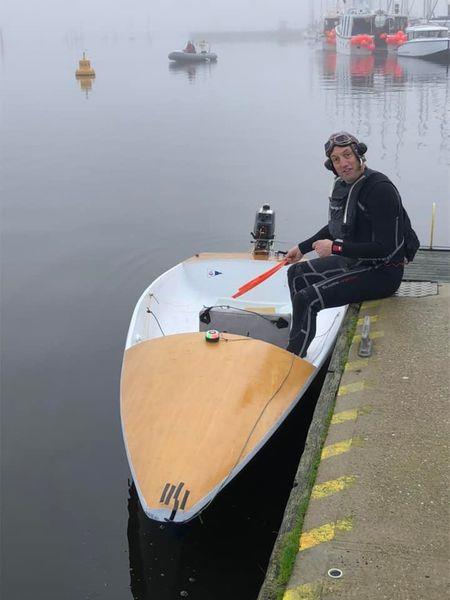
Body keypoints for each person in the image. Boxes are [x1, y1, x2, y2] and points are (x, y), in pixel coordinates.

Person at [286, 131, 406, 358]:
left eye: (347, 155)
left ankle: (293, 358)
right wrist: (303, 248)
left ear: (359, 155)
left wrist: (335, 248)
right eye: (336, 160)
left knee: (307, 298)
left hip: (383, 272)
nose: (343, 164)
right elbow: (336, 228)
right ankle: (299, 338)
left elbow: (386, 248)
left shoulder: (380, 190)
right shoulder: (346, 185)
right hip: (356, 261)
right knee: (296, 273)